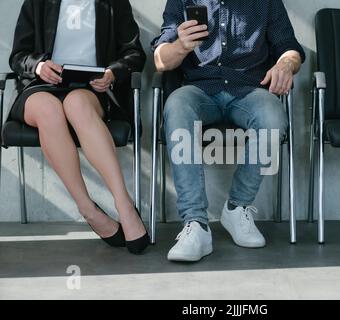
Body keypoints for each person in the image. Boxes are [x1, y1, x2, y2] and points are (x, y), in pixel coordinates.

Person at [152, 0, 305, 262]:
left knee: (272, 115)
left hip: (249, 90)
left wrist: (285, 65)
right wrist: (180, 46)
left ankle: (237, 207)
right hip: (199, 89)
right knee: (176, 105)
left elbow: (289, 48)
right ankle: (196, 224)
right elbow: (159, 60)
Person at [7, 0, 149, 254]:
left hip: (89, 87)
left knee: (77, 106)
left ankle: (124, 204)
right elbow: (18, 56)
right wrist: (39, 66)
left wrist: (112, 73)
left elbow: (134, 53)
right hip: (40, 87)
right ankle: (88, 209)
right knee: (49, 110)